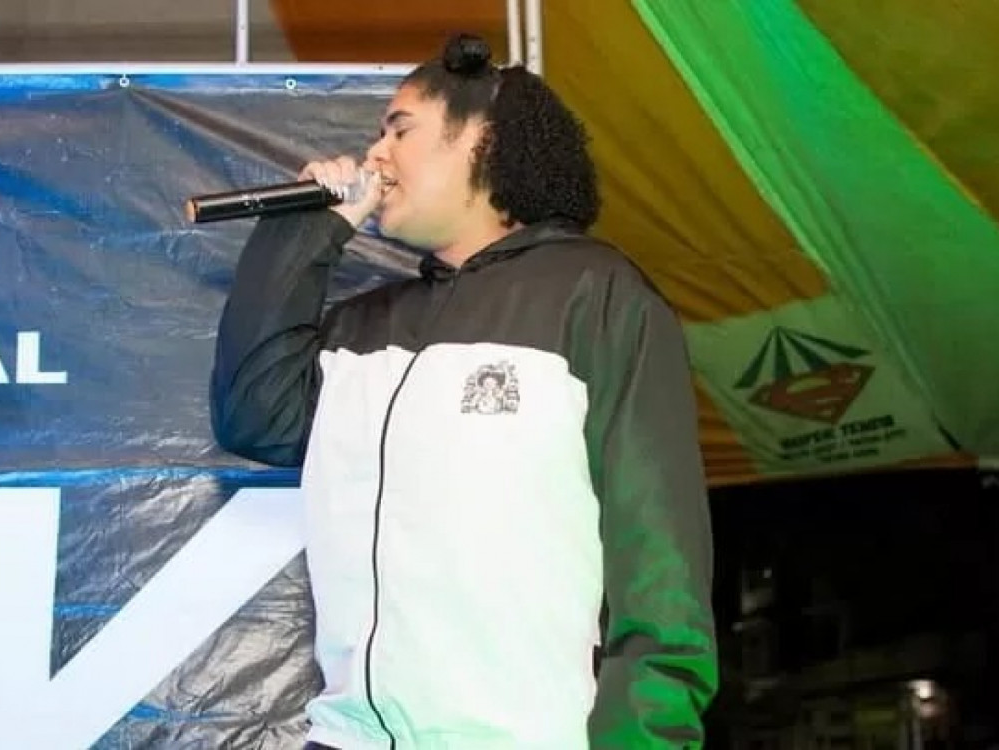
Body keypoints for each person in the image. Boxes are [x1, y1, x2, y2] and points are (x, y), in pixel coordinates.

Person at [210, 32, 717, 749]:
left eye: (400, 130)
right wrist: (304, 232)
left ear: (481, 137)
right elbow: (252, 414)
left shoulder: (593, 294)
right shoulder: (361, 328)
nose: (376, 155)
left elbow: (659, 560)